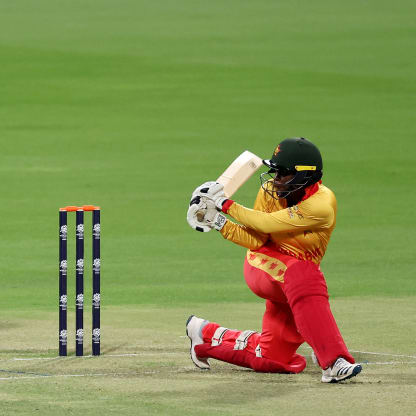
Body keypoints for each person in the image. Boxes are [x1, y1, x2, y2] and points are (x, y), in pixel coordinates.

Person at [186, 137, 362, 383]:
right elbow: (257, 240)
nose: (275, 180)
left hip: (294, 280)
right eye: (275, 172)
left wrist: (223, 205)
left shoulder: (322, 204)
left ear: (305, 176)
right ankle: (333, 361)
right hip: (264, 266)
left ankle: (204, 335)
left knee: (273, 358)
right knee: (302, 274)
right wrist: (218, 223)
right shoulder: (270, 192)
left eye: (283, 174)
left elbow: (266, 223)